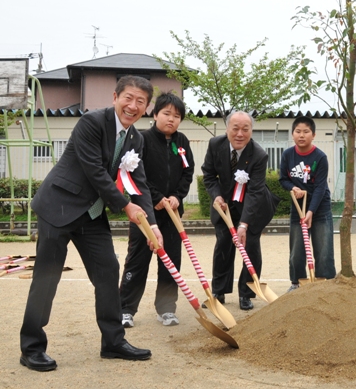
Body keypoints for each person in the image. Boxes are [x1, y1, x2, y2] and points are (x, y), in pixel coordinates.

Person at [20, 76, 163, 371]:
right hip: (59, 206)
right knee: (47, 277)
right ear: (115, 96)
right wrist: (125, 206)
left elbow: (140, 183)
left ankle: (113, 342)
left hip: (92, 212)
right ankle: (31, 348)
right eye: (128, 98)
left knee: (108, 271)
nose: (133, 106)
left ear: (147, 108)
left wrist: (152, 223)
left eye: (141, 102)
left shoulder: (136, 138)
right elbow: (95, 171)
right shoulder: (91, 122)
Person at [119, 92, 194, 328]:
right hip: (144, 212)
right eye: (166, 114)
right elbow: (137, 177)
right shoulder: (141, 139)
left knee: (171, 260)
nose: (171, 119)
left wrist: (177, 197)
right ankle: (125, 309)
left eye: (177, 116)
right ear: (155, 114)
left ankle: (167, 309)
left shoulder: (182, 142)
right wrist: (157, 197)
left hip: (172, 214)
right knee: (137, 260)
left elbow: (187, 173)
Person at [201, 111, 279, 310]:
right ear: (227, 129)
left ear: (251, 131)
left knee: (250, 246)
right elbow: (209, 175)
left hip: (252, 207)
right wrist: (216, 195)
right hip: (225, 206)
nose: (240, 134)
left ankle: (247, 294)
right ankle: (218, 292)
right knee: (223, 247)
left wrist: (244, 224)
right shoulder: (215, 145)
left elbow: (255, 192)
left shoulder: (259, 155)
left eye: (246, 129)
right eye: (235, 128)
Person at [279, 116, 336, 292]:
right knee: (297, 249)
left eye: (306, 132)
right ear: (292, 134)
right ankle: (296, 283)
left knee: (323, 248)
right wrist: (294, 187)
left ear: (313, 135)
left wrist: (311, 212)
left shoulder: (320, 157)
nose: (301, 135)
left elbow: (320, 187)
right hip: (298, 207)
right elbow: (283, 179)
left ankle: (325, 283)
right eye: (298, 131)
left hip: (320, 208)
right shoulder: (288, 155)